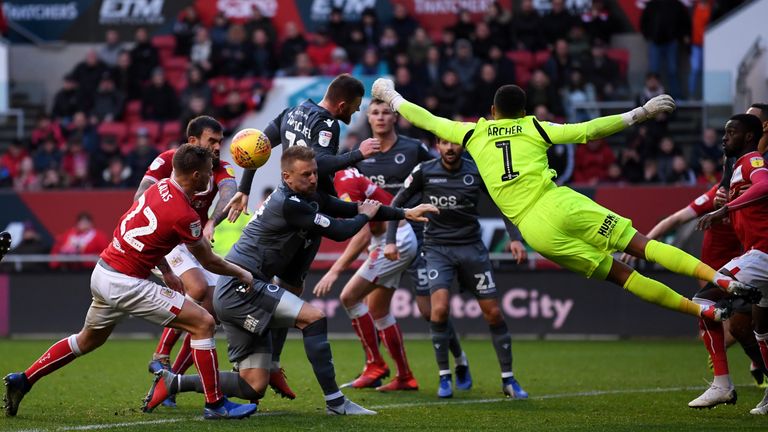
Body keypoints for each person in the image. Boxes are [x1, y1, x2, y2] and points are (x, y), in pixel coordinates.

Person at [370, 78, 757, 325]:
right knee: (644, 246)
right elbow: (588, 131)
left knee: (623, 276)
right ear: (523, 112)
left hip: (535, 229)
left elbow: (423, 118)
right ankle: (720, 280)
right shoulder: (536, 127)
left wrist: (391, 95)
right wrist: (638, 114)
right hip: (559, 203)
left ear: (491, 112)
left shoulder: (470, 134)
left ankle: (703, 309)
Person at [142, 146, 437, 415]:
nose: (313, 178)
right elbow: (340, 229)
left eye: (315, 173)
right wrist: (365, 216)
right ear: (287, 176)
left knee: (252, 385)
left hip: (242, 290)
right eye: (306, 174)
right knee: (314, 317)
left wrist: (405, 212)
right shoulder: (289, 203)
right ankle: (336, 402)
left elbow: (350, 208)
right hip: (241, 289)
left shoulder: (308, 197)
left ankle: (175, 382)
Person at [3, 145, 257, 420]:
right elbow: (209, 261)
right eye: (208, 172)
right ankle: (216, 404)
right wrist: (242, 273)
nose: (210, 178)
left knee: (86, 340)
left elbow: (139, 231)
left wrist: (166, 271)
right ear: (196, 175)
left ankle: (23, 379)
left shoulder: (156, 189)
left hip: (103, 272)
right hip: (127, 282)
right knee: (204, 322)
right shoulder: (185, 214)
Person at [225, 74, 380, 398]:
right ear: (342, 103)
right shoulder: (328, 123)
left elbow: (257, 146)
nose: (354, 113)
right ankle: (271, 364)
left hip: (289, 207)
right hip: (307, 213)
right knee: (289, 290)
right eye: (353, 107)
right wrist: (357, 154)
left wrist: (244, 190)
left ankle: (270, 365)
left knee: (278, 286)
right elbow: (321, 164)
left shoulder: (292, 111)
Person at [387, 137, 527, 399]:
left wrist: (515, 239)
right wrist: (390, 240)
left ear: (463, 147)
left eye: (455, 144)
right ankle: (445, 376)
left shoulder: (477, 171)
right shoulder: (424, 171)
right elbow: (397, 202)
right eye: (444, 143)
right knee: (438, 310)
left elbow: (504, 203)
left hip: (472, 249)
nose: (450, 148)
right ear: (437, 146)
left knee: (494, 313)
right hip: (437, 249)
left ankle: (509, 379)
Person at [349, 99, 472, 387]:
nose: (380, 118)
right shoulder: (359, 154)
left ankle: (460, 359)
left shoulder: (413, 148)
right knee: (371, 306)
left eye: (386, 113)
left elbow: (442, 168)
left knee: (429, 311)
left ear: (396, 118)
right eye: (375, 113)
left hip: (417, 236)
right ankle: (378, 369)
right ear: (368, 118)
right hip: (381, 239)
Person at [133, 116, 237, 407]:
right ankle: (161, 354)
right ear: (193, 142)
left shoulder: (219, 167)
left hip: (194, 241)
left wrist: (212, 222)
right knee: (199, 287)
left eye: (220, 141)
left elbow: (229, 190)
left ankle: (171, 383)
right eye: (211, 141)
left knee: (214, 310)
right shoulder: (167, 160)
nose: (218, 147)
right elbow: (140, 193)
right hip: (166, 240)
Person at [313, 167, 420, 391]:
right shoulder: (344, 176)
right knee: (379, 311)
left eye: (312, 173)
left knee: (349, 297)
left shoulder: (343, 183)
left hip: (393, 240)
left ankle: (375, 365)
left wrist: (335, 271)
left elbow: (362, 234)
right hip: (395, 236)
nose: (311, 178)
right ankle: (404, 376)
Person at [697, 114, 768, 415]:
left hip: (762, 255)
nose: (724, 137)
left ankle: (722, 383)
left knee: (702, 299)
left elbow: (765, 185)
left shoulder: (752, 161)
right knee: (762, 332)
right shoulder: (736, 169)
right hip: (760, 258)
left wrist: (725, 208)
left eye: (731, 132)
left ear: (749, 137)